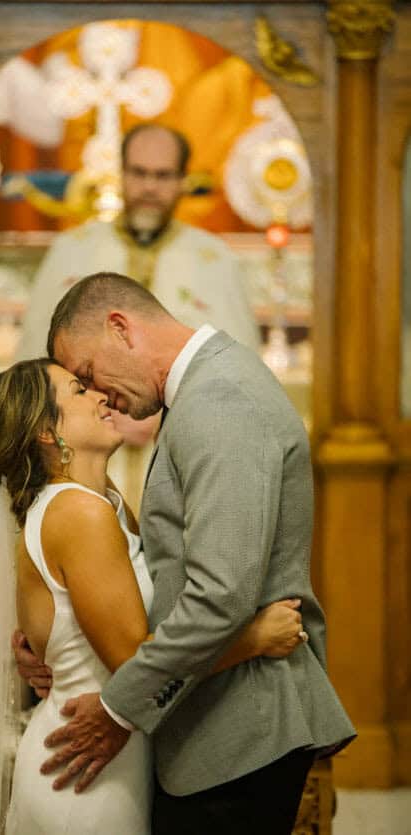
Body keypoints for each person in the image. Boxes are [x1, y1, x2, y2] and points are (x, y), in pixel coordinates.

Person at [19, 272, 356, 835]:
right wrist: (53, 634)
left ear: (120, 328)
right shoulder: (204, 390)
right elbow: (170, 562)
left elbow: (220, 596)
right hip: (216, 721)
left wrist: (117, 708)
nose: (101, 395)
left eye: (87, 374)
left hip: (242, 729)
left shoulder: (219, 399)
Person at [0, 357, 309, 835]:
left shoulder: (100, 503)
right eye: (78, 390)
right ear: (48, 431)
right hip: (85, 772)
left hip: (110, 755)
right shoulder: (77, 514)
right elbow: (134, 660)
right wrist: (253, 640)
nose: (100, 396)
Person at [17, 123, 260, 509]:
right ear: (122, 173)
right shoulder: (71, 251)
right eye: (139, 173)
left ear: (183, 180)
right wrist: (103, 411)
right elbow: (35, 368)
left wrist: (159, 416)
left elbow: (237, 376)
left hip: (183, 465)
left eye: (163, 176)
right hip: (81, 460)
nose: (149, 187)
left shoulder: (214, 261)